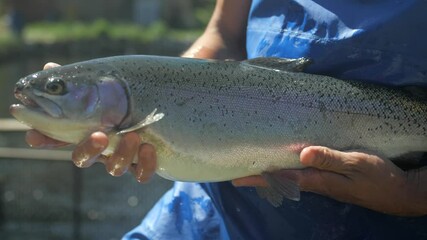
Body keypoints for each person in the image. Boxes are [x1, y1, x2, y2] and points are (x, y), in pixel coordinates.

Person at [27, 0, 427, 239]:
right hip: (210, 218)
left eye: (59, 89)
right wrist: (139, 115)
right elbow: (221, 33)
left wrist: (415, 195)